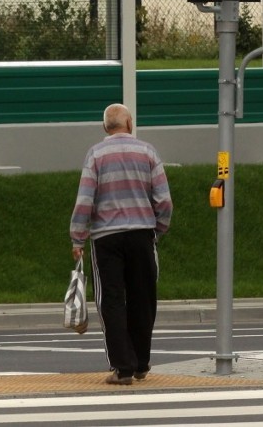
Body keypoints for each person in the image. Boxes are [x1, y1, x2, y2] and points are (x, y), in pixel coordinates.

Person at [70, 103, 173, 385]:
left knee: (112, 301)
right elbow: (163, 200)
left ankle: (122, 368)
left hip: (106, 239)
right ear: (129, 124)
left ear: (106, 127)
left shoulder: (96, 155)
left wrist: (78, 237)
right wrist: (157, 229)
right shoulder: (148, 152)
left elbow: (85, 200)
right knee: (143, 299)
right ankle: (141, 363)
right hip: (142, 234)